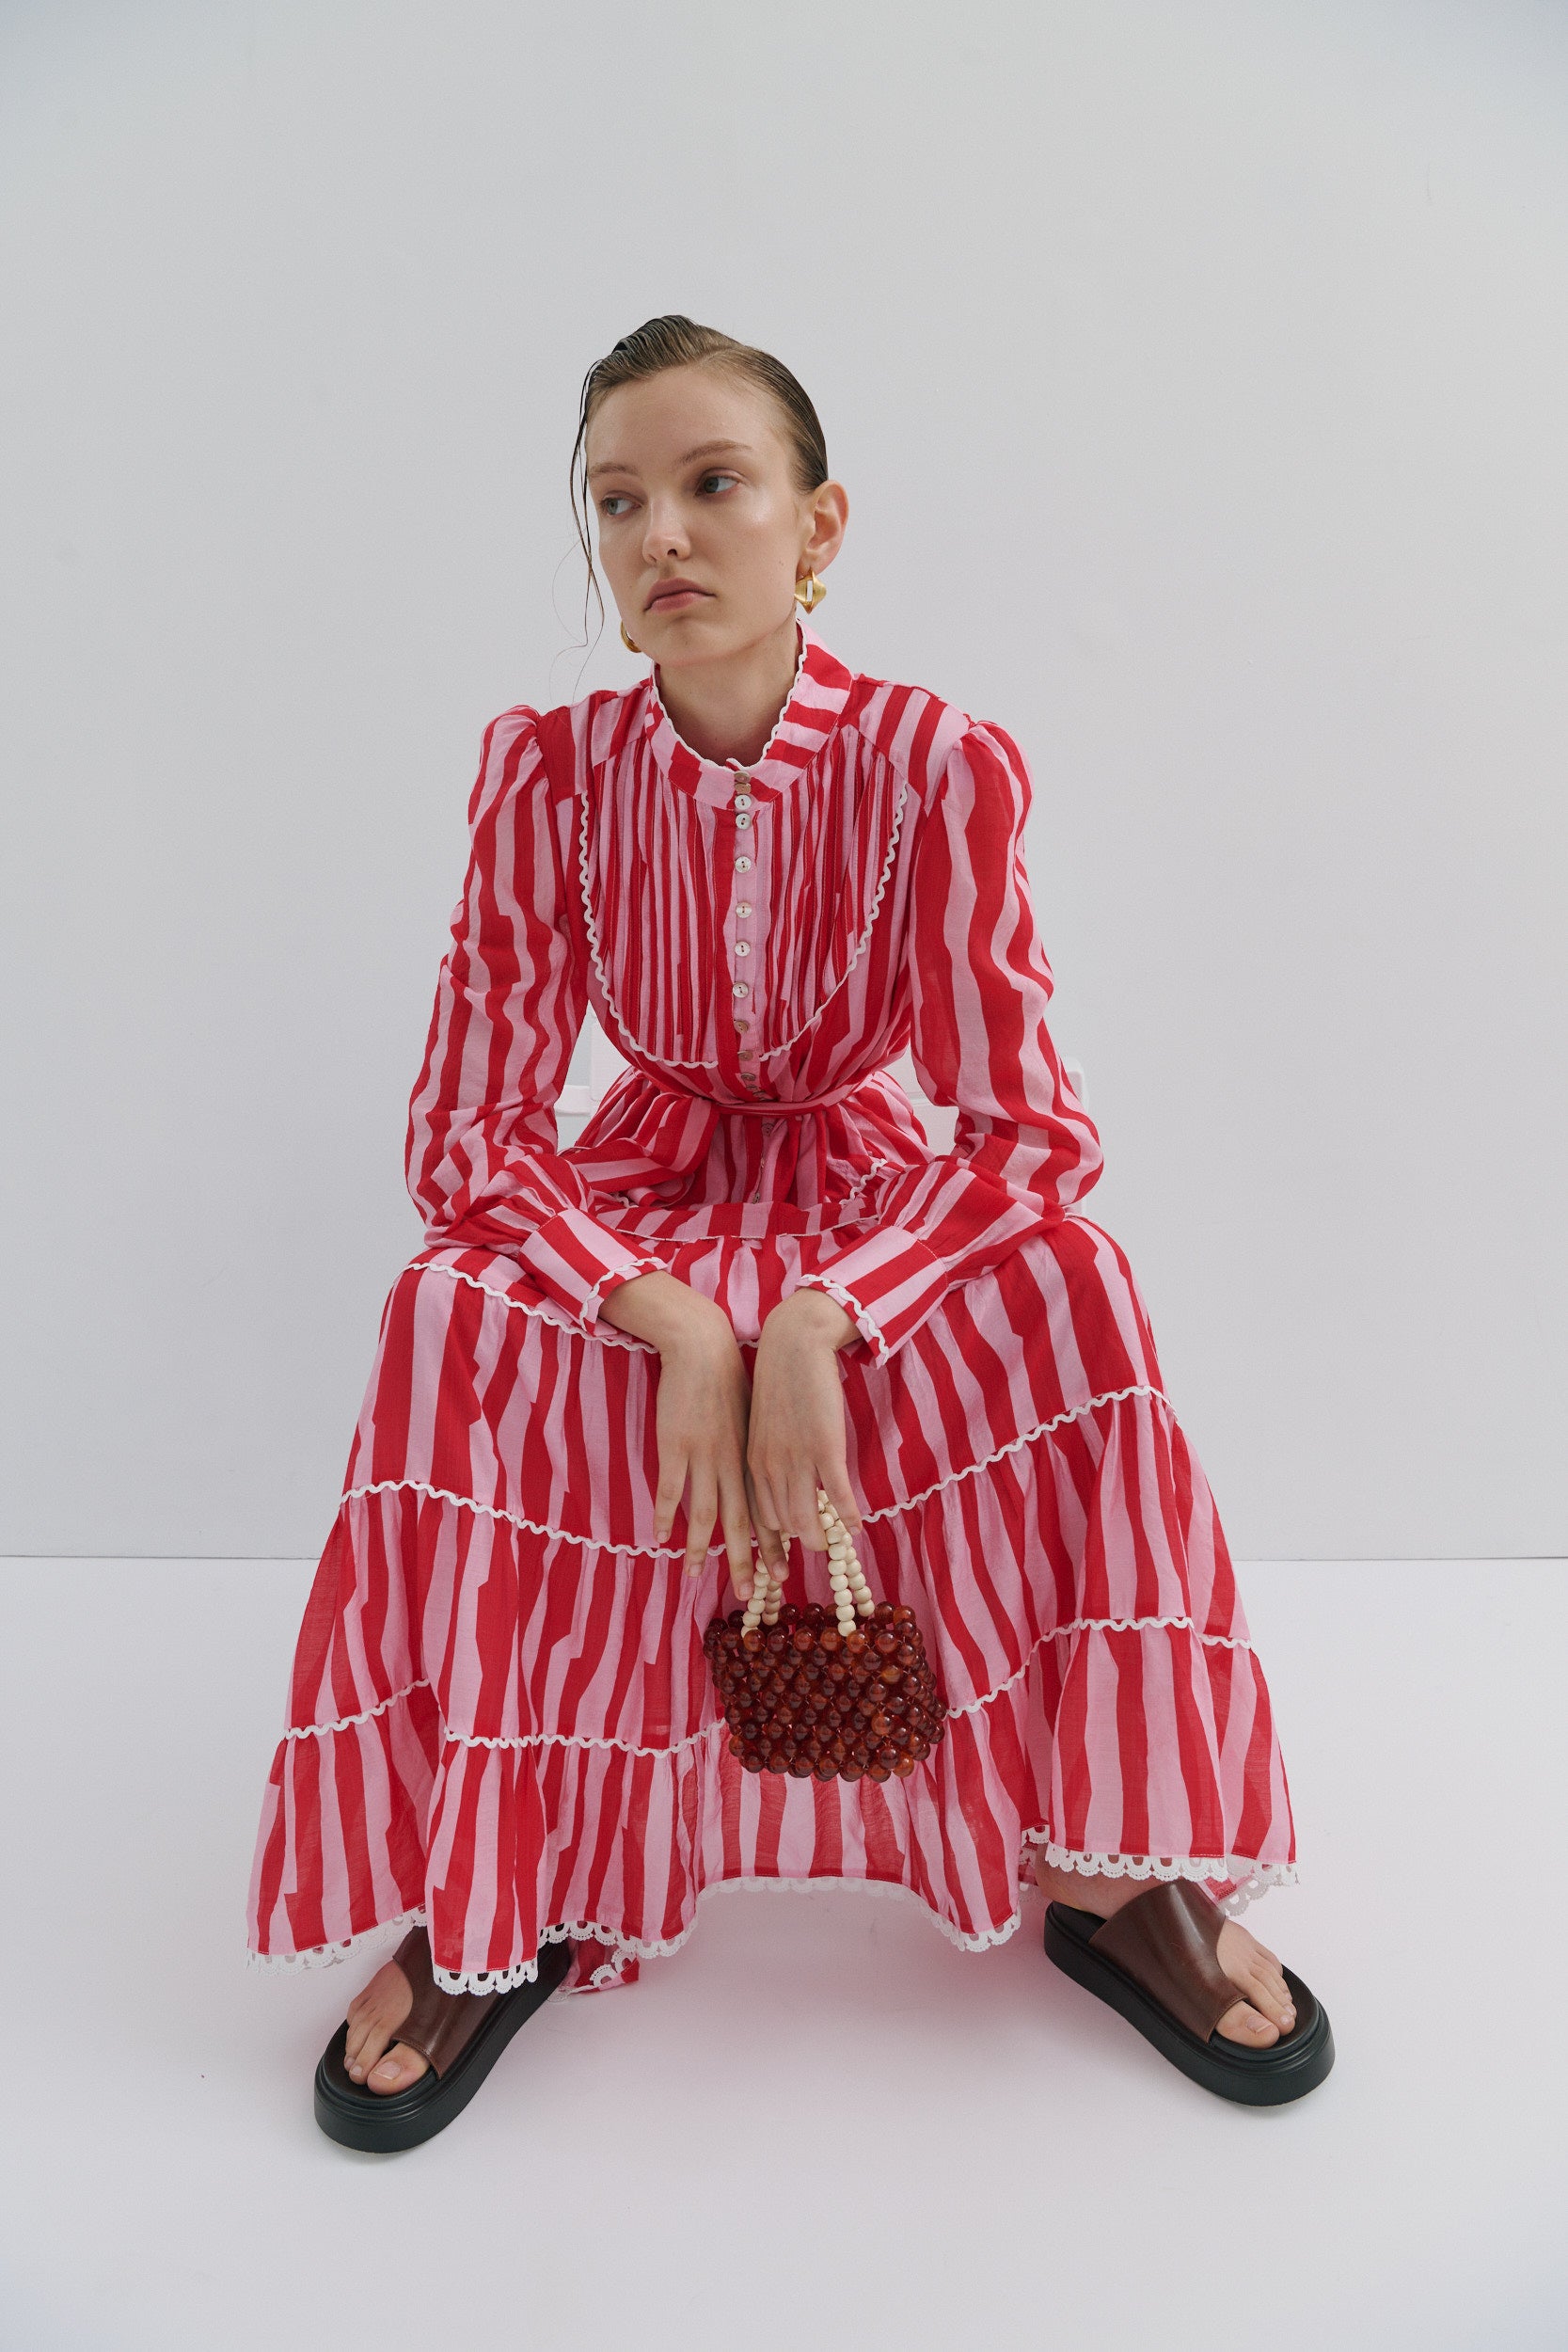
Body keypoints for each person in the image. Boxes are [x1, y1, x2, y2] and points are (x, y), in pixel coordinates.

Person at [247, 315, 1333, 2149]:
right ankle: (511, 1885)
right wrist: (665, 1310)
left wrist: (825, 1313)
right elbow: (469, 1128)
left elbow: (1028, 1128)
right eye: (617, 502)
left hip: (865, 1180)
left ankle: (1106, 1861)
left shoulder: (932, 765)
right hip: (647, 1180)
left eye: (710, 485)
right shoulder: (549, 773)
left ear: (818, 527)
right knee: (449, 1307)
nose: (659, 535)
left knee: (1082, 1286)